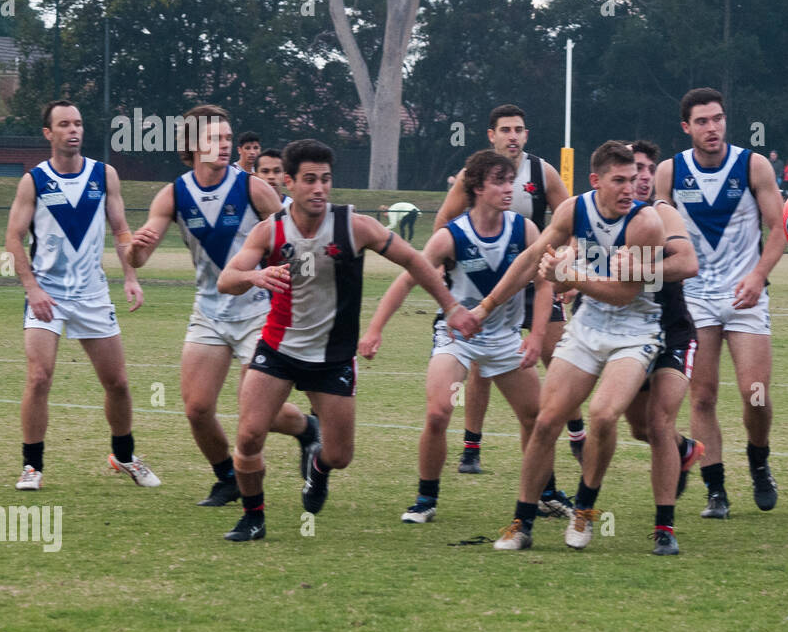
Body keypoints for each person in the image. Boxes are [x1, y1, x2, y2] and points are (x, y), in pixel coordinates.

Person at [215, 139, 478, 541]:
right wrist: (253, 276)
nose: (319, 188)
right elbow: (227, 279)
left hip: (334, 357)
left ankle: (317, 467)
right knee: (249, 435)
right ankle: (254, 518)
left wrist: (452, 306)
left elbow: (412, 259)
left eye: (325, 179)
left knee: (339, 455)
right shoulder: (271, 231)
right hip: (278, 348)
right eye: (309, 180)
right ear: (288, 183)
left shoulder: (354, 226)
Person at [368, 104, 580, 516]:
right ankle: (426, 499)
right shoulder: (451, 237)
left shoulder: (526, 230)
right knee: (438, 411)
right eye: (501, 182)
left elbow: (543, 283)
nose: (510, 189)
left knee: (537, 419)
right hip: (457, 338)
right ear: (478, 188)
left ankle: (545, 494)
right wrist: (375, 329)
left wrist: (535, 336)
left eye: (511, 181)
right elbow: (407, 278)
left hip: (503, 339)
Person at [465, 141, 665, 551]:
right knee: (544, 421)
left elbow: (626, 294)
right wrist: (486, 305)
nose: (631, 188)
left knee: (604, 416)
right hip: (588, 326)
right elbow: (530, 260)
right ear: (596, 181)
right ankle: (521, 523)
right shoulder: (575, 209)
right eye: (620, 181)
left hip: (636, 330)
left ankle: (584, 510)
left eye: (634, 180)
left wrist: (571, 276)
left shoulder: (646, 222)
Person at [128, 106, 317, 508]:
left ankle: (305, 430)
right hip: (209, 314)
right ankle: (227, 477)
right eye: (215, 138)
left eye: (228, 138)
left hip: (259, 313)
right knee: (197, 409)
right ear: (193, 145)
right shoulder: (174, 194)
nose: (226, 145)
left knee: (257, 411)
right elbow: (138, 261)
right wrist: (136, 249)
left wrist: (296, 284)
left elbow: (296, 238)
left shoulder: (253, 188)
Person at [6, 99, 157, 491]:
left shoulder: (104, 175)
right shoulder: (34, 181)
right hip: (48, 296)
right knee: (39, 377)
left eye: (78, 124)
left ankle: (124, 457)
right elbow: (13, 237)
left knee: (118, 383)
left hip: (92, 294)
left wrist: (130, 276)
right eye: (64, 125)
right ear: (48, 133)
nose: (74, 131)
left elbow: (122, 230)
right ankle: (31, 467)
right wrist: (32, 288)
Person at [654, 87, 788, 517]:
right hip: (694, 299)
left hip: (745, 296)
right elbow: (656, 231)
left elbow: (779, 228)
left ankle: (759, 458)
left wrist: (758, 276)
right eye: (702, 121)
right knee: (703, 397)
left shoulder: (752, 165)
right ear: (686, 127)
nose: (712, 128)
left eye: (717, 119)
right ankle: (716, 490)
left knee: (755, 394)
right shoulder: (669, 172)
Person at [621, 139, 703, 554]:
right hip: (627, 338)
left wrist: (634, 267)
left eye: (648, 168)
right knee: (639, 428)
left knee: (658, 424)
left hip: (672, 334)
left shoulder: (663, 212)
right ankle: (685, 449)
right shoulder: (603, 214)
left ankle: (665, 529)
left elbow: (688, 264)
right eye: (634, 168)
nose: (642, 176)